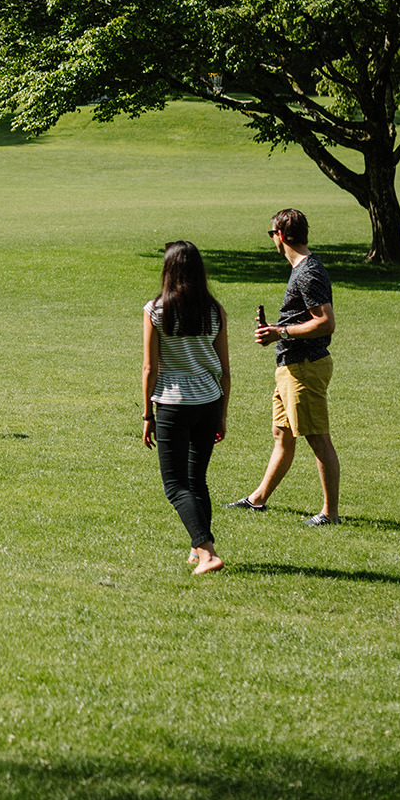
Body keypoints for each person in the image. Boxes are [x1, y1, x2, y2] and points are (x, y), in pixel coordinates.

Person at [227, 207, 340, 524]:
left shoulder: (308, 272)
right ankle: (257, 499)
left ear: (280, 236)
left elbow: (326, 322)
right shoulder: (303, 269)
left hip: (305, 367)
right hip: (291, 365)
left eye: (271, 234)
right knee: (282, 434)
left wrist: (281, 331)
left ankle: (330, 514)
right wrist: (275, 331)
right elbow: (306, 319)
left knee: (318, 437)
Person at [142, 241, 231, 575]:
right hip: (209, 401)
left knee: (175, 485)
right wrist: (222, 413)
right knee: (197, 481)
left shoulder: (156, 310)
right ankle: (197, 549)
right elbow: (224, 370)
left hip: (172, 403)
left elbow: (150, 368)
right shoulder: (214, 311)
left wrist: (147, 414)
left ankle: (207, 552)